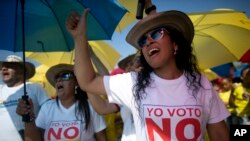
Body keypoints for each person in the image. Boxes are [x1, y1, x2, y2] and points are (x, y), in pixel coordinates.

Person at [66, 0, 230, 140]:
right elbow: (88, 81)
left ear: (175, 44)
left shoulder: (201, 83)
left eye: (157, 34)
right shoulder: (133, 82)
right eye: (143, 40)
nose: (149, 41)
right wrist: (79, 37)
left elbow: (220, 135)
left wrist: (150, 8)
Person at [16, 64, 107, 141]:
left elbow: (101, 137)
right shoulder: (47, 107)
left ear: (76, 82)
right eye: (57, 78)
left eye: (65, 76)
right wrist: (28, 118)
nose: (59, 80)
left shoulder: (90, 105)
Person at [0, 55, 49, 141]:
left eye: (10, 66)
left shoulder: (35, 87)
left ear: (22, 71)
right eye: (2, 67)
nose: (4, 68)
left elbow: (49, 113)